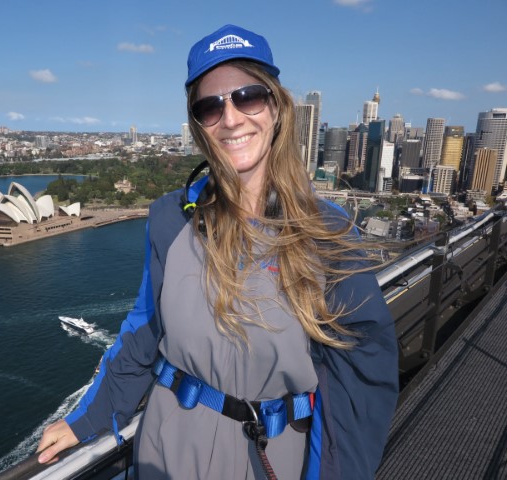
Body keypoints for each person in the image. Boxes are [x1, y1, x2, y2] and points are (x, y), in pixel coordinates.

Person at [37, 24, 398, 479]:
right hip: (168, 446)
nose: (230, 118)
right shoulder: (171, 218)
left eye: (247, 96)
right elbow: (145, 329)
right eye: (210, 106)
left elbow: (360, 378)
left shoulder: (330, 234)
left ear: (276, 106)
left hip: (275, 454)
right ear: (197, 125)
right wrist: (85, 419)